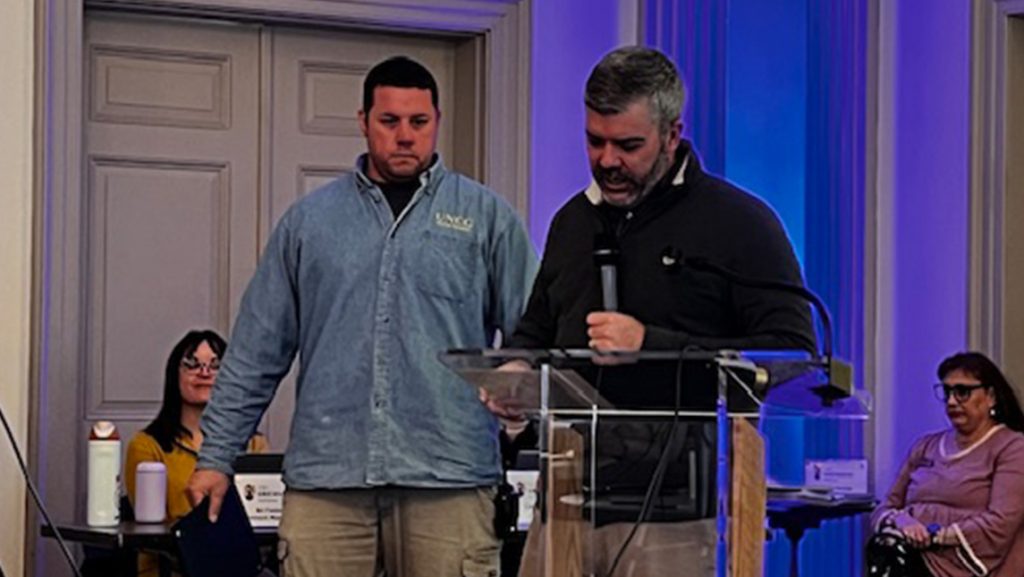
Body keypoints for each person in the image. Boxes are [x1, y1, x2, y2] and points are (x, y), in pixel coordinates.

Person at [186, 56, 538, 577]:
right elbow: (257, 351)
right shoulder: (310, 222)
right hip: (329, 480)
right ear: (363, 121)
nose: (404, 136)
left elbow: (534, 332)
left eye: (418, 122)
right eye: (389, 121)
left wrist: (522, 394)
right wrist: (216, 457)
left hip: (449, 479)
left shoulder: (486, 218)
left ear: (436, 120)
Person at [495, 46, 816, 577]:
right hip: (565, 496)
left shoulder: (739, 222)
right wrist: (516, 371)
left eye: (628, 145)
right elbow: (538, 327)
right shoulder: (572, 221)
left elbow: (791, 353)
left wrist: (652, 344)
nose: (607, 160)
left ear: (672, 134)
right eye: (594, 141)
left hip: (678, 511)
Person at [123, 329, 268, 577]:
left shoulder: (254, 443)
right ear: (174, 375)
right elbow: (151, 526)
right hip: (170, 568)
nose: (204, 373)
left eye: (215, 365)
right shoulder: (147, 445)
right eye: (192, 365)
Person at [870, 352, 1024, 576]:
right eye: (947, 392)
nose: (952, 401)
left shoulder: (1012, 447)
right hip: (908, 554)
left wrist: (935, 536)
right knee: (885, 550)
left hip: (968, 563)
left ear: (991, 396)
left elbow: (1000, 523)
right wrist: (901, 521)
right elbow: (886, 507)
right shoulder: (925, 446)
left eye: (962, 392)